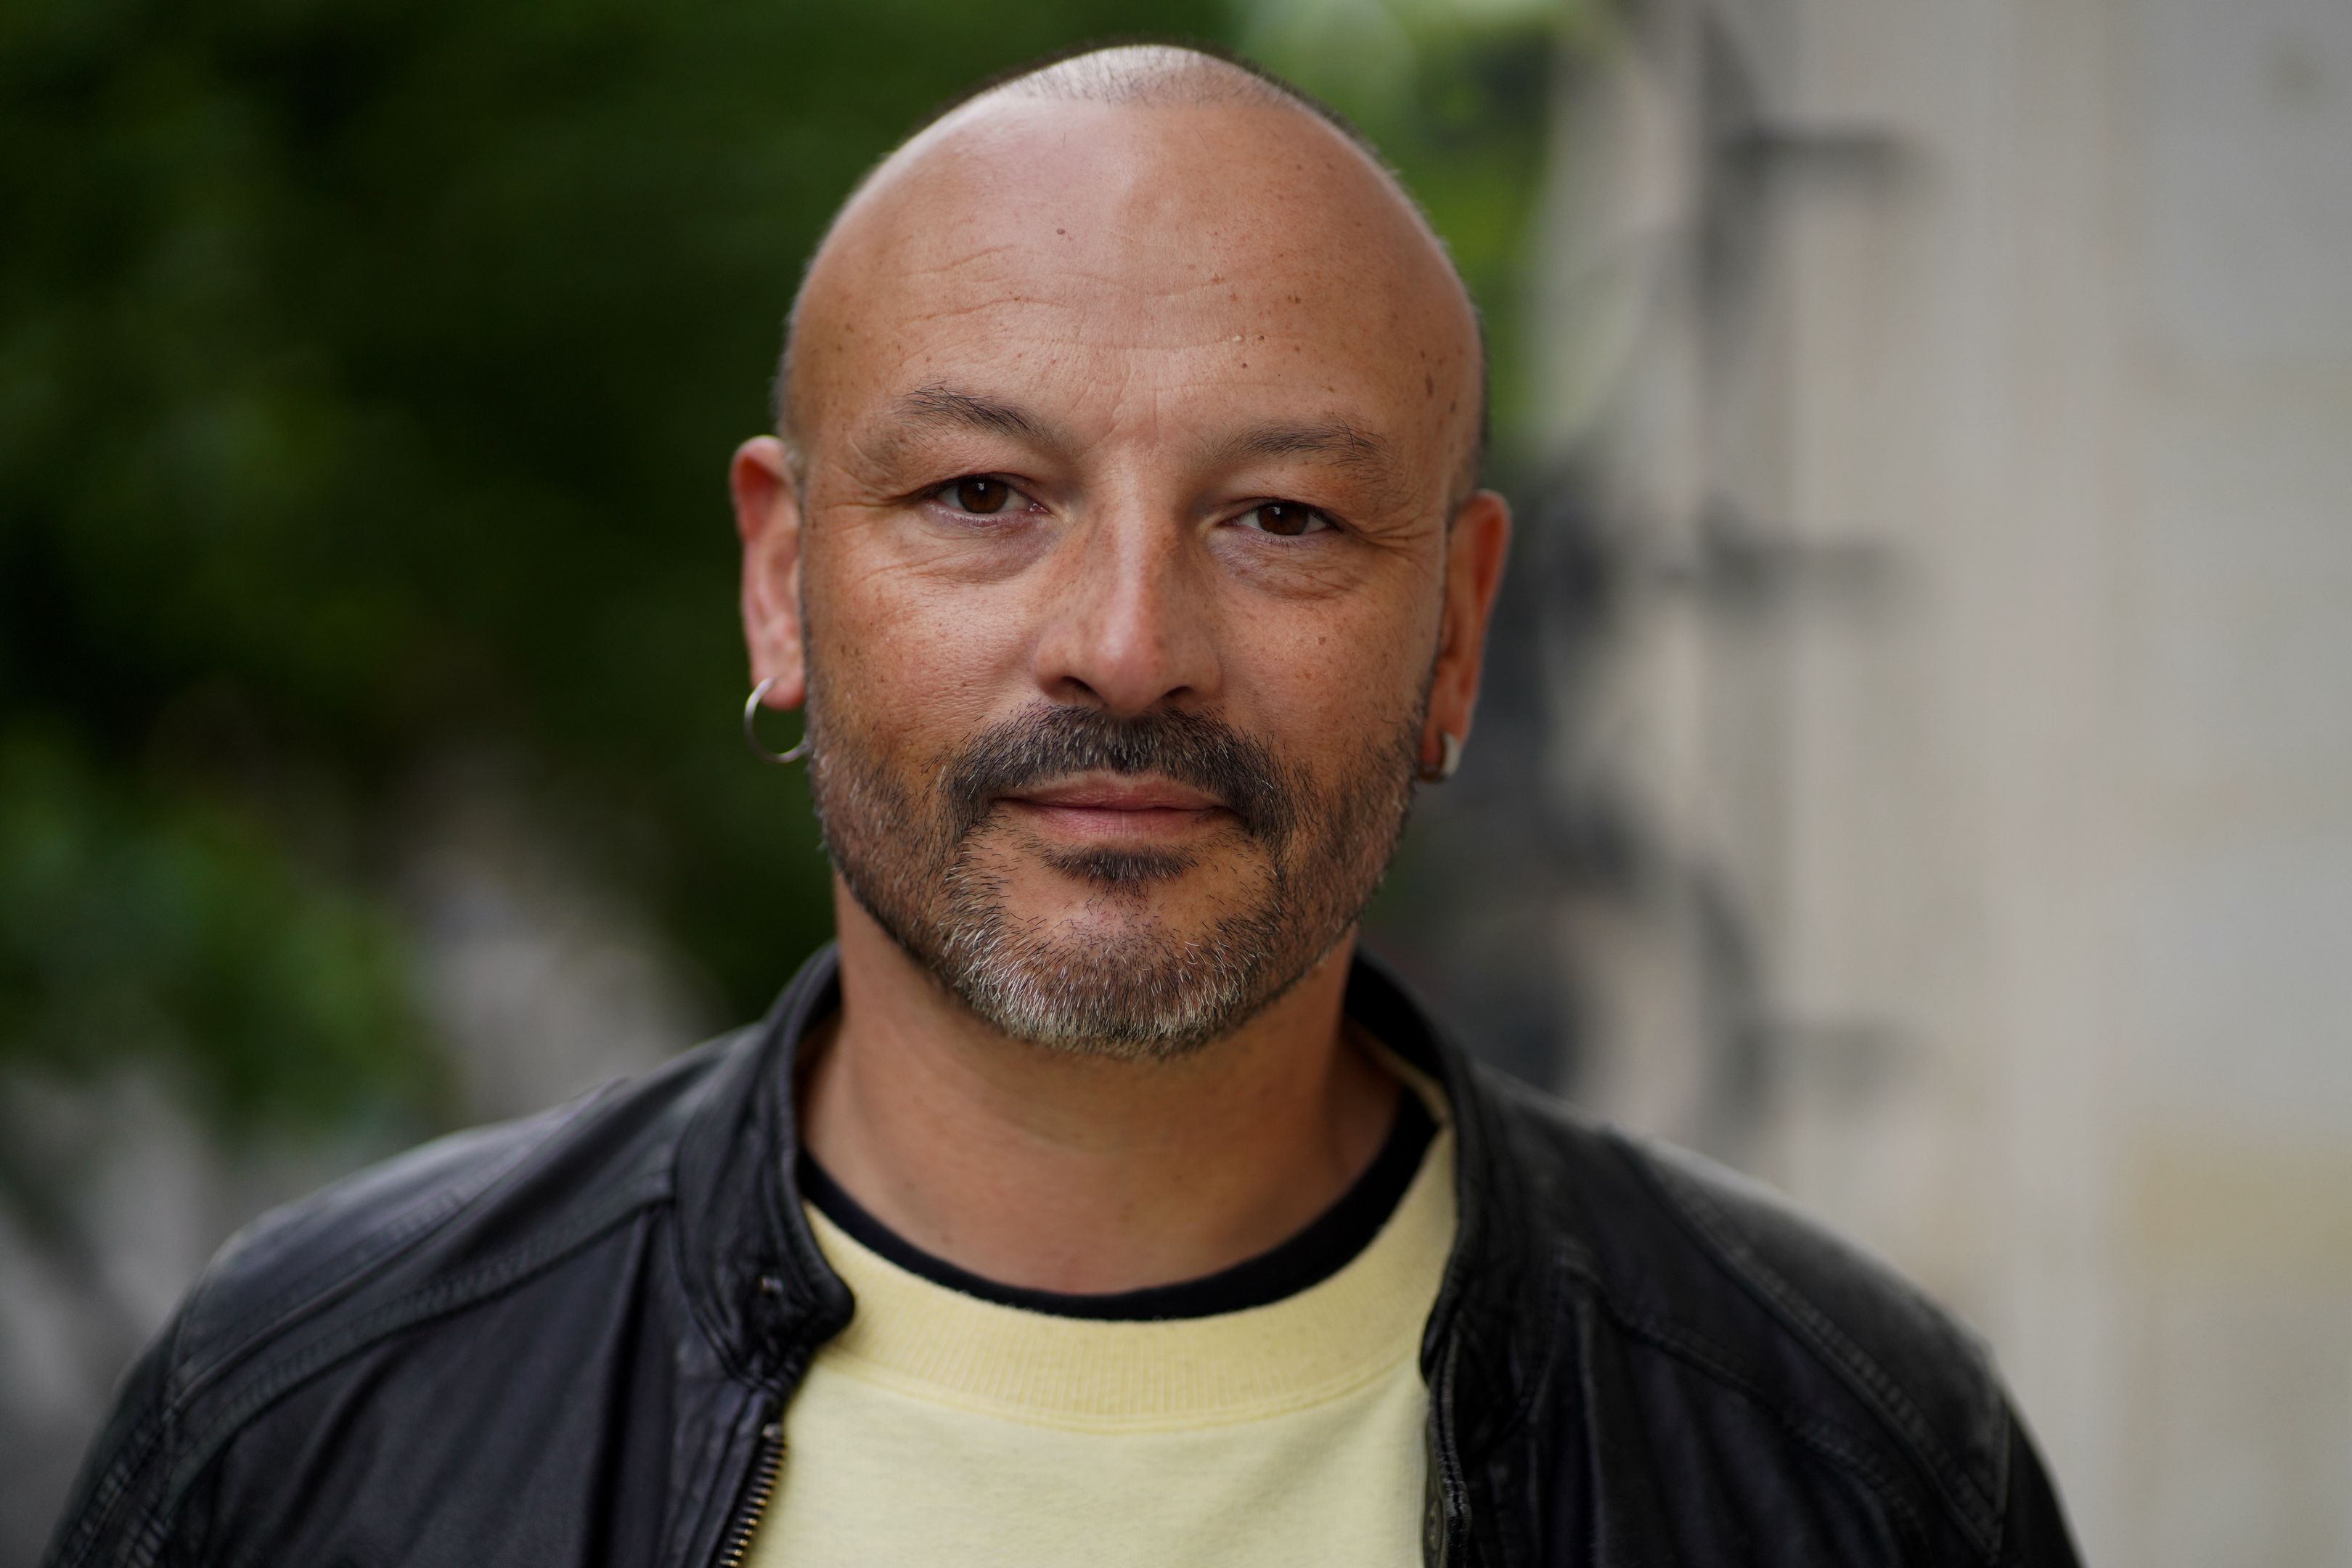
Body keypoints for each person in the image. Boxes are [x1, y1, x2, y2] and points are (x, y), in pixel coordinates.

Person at [44, 44, 2078, 1568]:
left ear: (1459, 631)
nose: (1126, 645)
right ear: (782, 581)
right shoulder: (310, 1418)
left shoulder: (1851, 1462)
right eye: (982, 495)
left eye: (1282, 517)